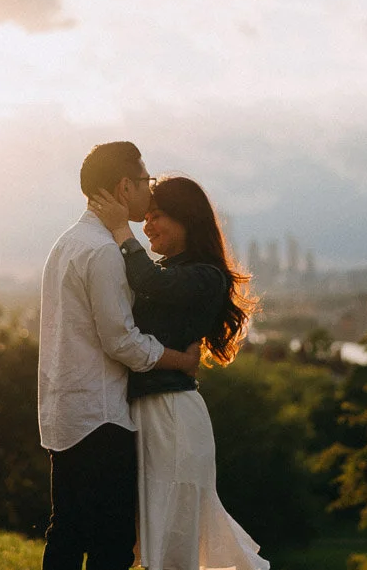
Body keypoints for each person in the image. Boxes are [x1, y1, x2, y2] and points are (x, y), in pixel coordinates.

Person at [89, 174, 268, 570]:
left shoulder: (205, 275)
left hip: (172, 415)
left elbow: (148, 280)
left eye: (157, 216)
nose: (147, 226)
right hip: (152, 411)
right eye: (146, 217)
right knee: (157, 530)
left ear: (187, 219)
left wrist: (121, 228)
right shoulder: (172, 271)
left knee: (173, 534)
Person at [39, 141, 202, 570]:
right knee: (112, 541)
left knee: (67, 529)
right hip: (101, 415)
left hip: (63, 411)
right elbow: (122, 342)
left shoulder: (65, 243)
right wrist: (181, 360)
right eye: (146, 182)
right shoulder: (102, 252)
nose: (151, 192)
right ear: (124, 186)